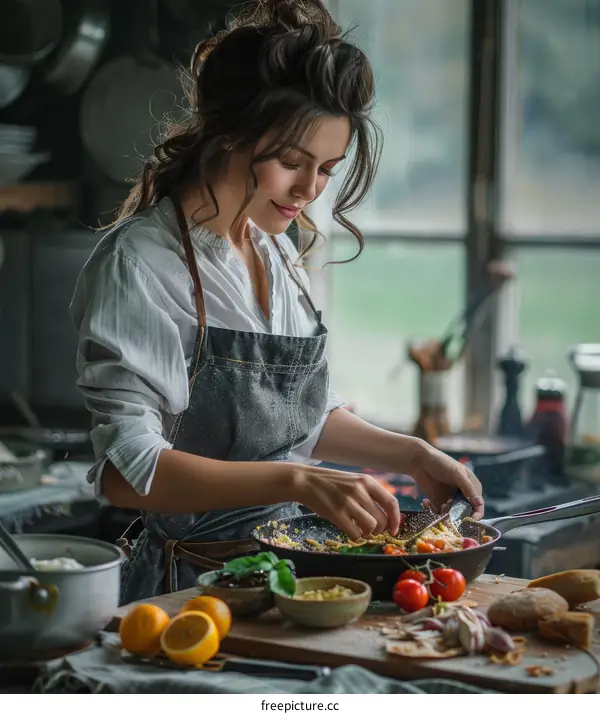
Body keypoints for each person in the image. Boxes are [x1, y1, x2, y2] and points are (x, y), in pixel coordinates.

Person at [70, 0, 484, 604]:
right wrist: (299, 480)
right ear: (230, 132)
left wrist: (413, 452)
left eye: (326, 170)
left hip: (294, 584)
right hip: (195, 594)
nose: (309, 190)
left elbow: (297, 418)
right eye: (292, 162)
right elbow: (126, 471)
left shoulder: (272, 253)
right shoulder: (140, 264)